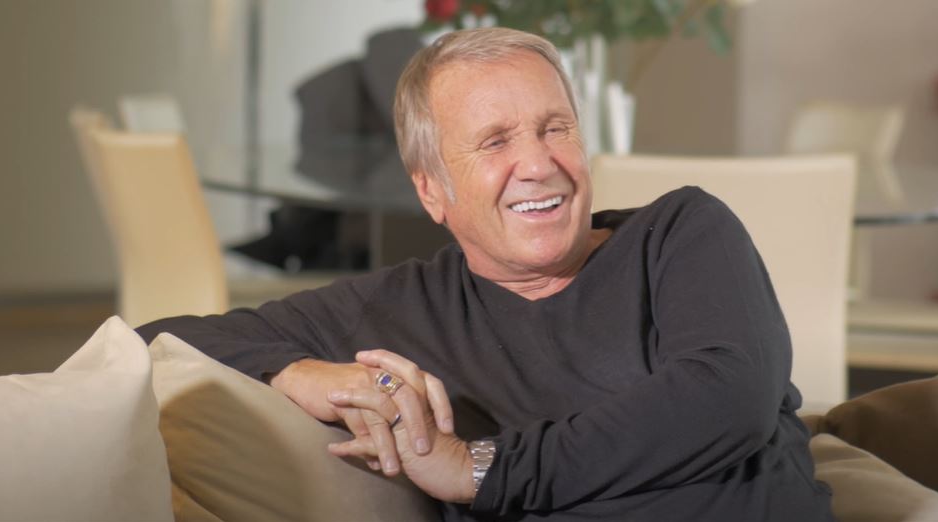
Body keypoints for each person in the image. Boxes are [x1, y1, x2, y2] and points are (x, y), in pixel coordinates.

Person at [138, 27, 834, 521]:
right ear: (431, 191)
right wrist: (294, 372)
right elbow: (146, 340)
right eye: (495, 142)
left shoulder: (678, 233)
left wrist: (478, 469)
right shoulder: (398, 308)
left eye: (555, 128)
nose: (538, 163)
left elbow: (729, 395)